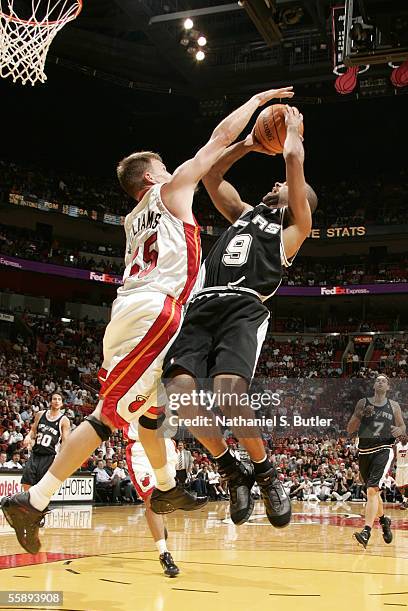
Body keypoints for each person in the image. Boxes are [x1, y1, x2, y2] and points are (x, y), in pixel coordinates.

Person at [1, 84, 295, 554]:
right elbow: (218, 139)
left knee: (152, 412)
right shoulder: (171, 191)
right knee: (106, 416)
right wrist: (256, 107)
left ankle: (165, 487)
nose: (172, 169)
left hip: (133, 310)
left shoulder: (131, 218)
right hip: (157, 312)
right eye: (162, 166)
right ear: (150, 178)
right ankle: (33, 501)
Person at [161, 106, 316, 529]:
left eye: (284, 187)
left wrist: (293, 135)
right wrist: (248, 144)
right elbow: (212, 177)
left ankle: (266, 473)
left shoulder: (293, 228)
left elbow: (293, 165)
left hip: (244, 306)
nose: (278, 184)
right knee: (178, 393)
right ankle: (232, 470)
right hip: (203, 302)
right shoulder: (244, 214)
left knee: (229, 392)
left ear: (297, 201)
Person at [347, 374, 406, 548]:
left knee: (372, 489)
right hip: (364, 451)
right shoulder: (363, 403)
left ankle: (366, 532)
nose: (380, 382)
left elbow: (402, 428)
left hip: (384, 449)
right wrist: (360, 415)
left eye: (383, 381)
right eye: (377, 380)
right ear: (374, 385)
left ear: (388, 387)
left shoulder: (394, 406)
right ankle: (383, 520)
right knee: (373, 493)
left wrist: (399, 430)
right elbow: (350, 428)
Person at [124, 422, 179, 577]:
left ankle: (159, 524)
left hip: (166, 444)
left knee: (165, 495)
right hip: (141, 447)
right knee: (151, 500)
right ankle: (164, 553)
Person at [20, 393, 71, 491]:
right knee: (26, 480)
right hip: (35, 453)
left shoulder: (64, 420)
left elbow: (65, 441)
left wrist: (60, 458)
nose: (56, 401)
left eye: (59, 399)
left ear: (62, 403)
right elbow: (33, 430)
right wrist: (28, 437)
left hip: (49, 456)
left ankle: (41, 505)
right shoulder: (40, 414)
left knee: (43, 485)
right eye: (54, 399)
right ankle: (28, 502)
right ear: (50, 401)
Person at [395, 434, 408, 509]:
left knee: (407, 485)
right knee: (399, 486)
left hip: (407, 467)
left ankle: (404, 501)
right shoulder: (397, 446)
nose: (403, 438)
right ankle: (405, 499)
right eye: (402, 437)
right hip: (399, 467)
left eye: (404, 436)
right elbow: (394, 456)